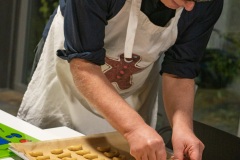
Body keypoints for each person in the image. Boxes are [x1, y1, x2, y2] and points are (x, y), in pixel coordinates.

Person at [17, 0, 223, 159]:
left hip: (131, 89)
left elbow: (180, 71)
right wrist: (134, 128)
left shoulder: (203, 4)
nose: (189, 7)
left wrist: (182, 128)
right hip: (67, 79)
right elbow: (83, 64)